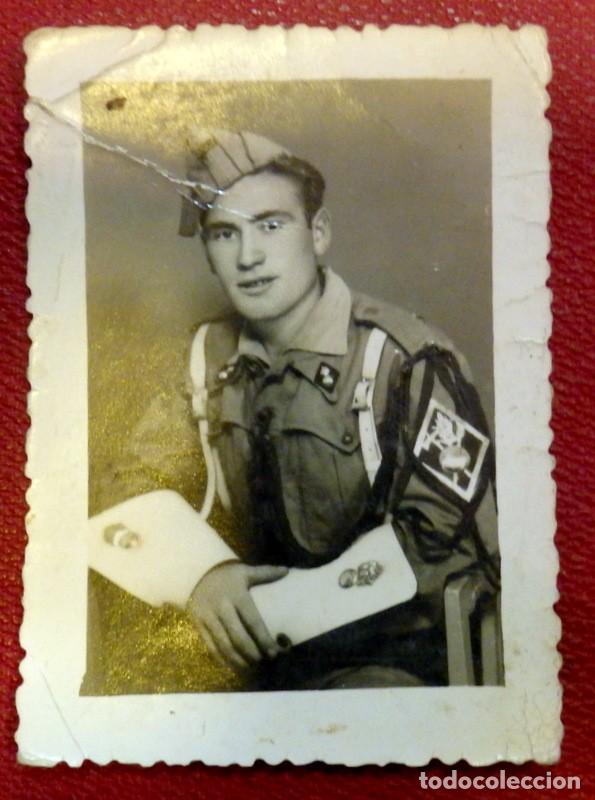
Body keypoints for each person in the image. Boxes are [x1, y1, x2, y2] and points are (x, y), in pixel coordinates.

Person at [179, 131, 499, 690]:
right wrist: (201, 573)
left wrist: (263, 617)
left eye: (271, 225)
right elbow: (131, 482)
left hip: (408, 657)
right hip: (261, 658)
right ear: (208, 252)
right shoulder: (206, 357)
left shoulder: (408, 359)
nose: (249, 256)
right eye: (225, 233)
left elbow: (433, 538)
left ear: (319, 233)